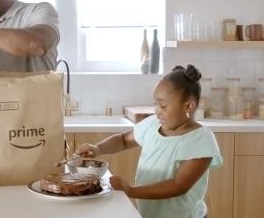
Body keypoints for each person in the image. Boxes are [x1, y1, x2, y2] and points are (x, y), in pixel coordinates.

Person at [77, 65, 222, 218]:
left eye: (163, 105)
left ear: (188, 106)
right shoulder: (153, 125)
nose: (157, 110)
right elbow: (123, 140)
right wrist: (98, 148)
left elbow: (178, 186)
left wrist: (130, 190)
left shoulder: (200, 140)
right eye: (156, 104)